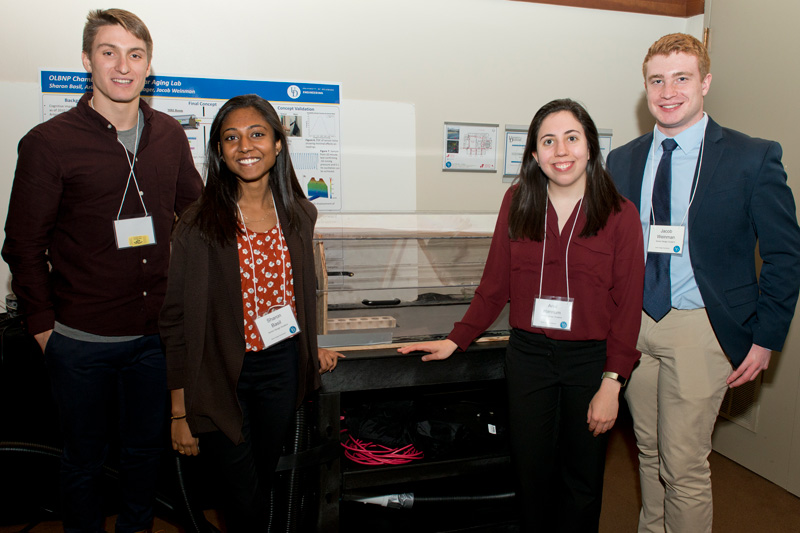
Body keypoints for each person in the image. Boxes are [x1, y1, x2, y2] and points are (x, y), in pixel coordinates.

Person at [399, 99, 644, 532]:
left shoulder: (620, 215)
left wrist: (613, 383)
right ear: (534, 153)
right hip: (530, 358)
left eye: (572, 138)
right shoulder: (518, 201)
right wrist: (456, 338)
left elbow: (628, 308)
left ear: (590, 147)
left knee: (582, 478)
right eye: (548, 141)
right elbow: (495, 285)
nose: (561, 150)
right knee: (531, 474)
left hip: (591, 362)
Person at [2, 9, 203, 533]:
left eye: (135, 55)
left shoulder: (169, 137)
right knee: (83, 462)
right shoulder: (49, 142)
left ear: (148, 66)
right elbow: (22, 246)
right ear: (87, 60)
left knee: (143, 459)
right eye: (109, 52)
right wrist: (44, 328)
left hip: (154, 337)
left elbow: (199, 217)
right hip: (80, 339)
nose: (123, 66)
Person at [606, 33, 800, 533]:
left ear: (705, 83)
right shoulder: (622, 160)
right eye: (657, 80)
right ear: (645, 86)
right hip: (636, 327)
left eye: (682, 78)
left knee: (683, 462)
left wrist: (766, 337)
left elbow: (784, 254)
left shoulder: (752, 157)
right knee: (647, 450)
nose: (668, 91)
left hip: (703, 327)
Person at [159, 94, 342, 531]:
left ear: (279, 144)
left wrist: (312, 348)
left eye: (257, 134)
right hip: (221, 374)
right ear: (220, 153)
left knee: (261, 483)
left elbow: (304, 292)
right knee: (244, 501)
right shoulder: (198, 223)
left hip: (280, 369)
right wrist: (179, 412)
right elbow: (175, 320)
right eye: (231, 138)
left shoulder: (299, 214)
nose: (246, 146)